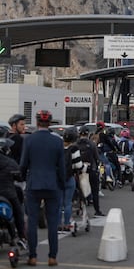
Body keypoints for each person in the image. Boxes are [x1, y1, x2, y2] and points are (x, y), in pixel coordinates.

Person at [20, 110, 65, 267]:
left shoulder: (29, 140)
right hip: (52, 185)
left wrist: (22, 178)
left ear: (37, 122)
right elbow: (62, 167)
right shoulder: (57, 141)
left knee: (32, 221)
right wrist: (62, 184)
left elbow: (24, 164)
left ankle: (32, 256)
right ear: (50, 123)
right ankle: (52, 257)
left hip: (34, 184)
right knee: (53, 222)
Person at [0, 130, 26, 245]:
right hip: (7, 194)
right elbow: (20, 177)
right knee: (18, 212)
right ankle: (21, 236)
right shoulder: (11, 162)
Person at [59, 127, 84, 232]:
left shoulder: (58, 147)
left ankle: (58, 224)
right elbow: (78, 165)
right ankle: (67, 223)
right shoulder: (74, 149)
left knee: (59, 203)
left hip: (58, 178)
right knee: (68, 202)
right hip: (70, 178)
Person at [77, 125, 105, 216]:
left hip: (80, 170)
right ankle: (97, 210)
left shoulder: (76, 144)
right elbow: (97, 158)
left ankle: (80, 208)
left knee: (79, 190)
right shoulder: (92, 144)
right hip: (91, 170)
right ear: (88, 134)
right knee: (95, 191)